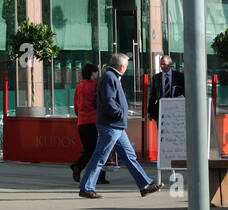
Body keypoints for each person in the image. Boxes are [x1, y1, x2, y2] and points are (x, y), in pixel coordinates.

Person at [78, 52, 163, 199]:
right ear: (122, 66)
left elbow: (101, 100)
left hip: (115, 126)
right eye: (127, 65)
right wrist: (119, 114)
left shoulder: (111, 77)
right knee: (100, 156)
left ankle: (145, 185)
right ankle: (86, 187)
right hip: (111, 125)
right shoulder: (110, 77)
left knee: (129, 156)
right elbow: (108, 100)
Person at [69, 63, 107, 185]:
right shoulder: (97, 85)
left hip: (82, 122)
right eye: (96, 72)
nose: (97, 75)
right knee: (97, 150)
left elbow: (76, 106)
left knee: (89, 149)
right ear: (92, 74)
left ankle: (86, 169)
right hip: (94, 121)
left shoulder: (79, 86)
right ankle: (79, 166)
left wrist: (81, 115)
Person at [147, 54, 185, 121]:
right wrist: (150, 111)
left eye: (164, 64)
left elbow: (185, 92)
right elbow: (153, 96)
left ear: (170, 64)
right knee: (161, 129)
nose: (162, 66)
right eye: (161, 64)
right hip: (161, 109)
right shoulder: (156, 77)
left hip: (176, 109)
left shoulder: (180, 77)